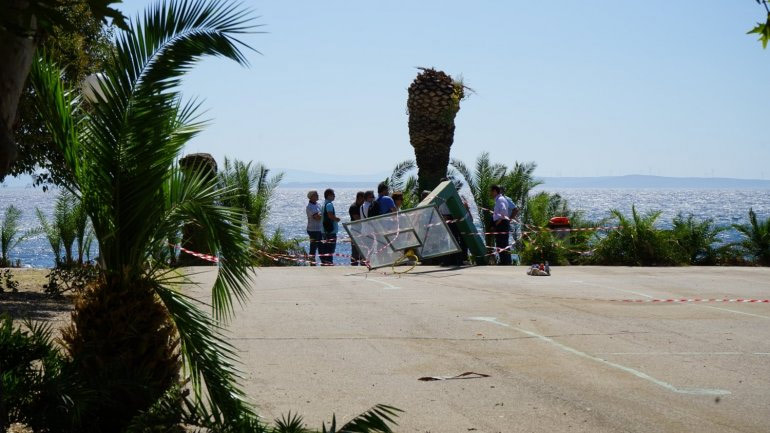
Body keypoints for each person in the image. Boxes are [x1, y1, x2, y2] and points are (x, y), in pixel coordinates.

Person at [490, 184, 511, 265]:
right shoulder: (498, 200)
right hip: (501, 223)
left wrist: (496, 224)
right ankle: (504, 261)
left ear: (495, 191)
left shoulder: (500, 200)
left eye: (491, 191)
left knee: (502, 243)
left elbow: (503, 212)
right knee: (500, 243)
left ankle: (505, 262)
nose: (491, 193)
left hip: (502, 223)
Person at [320, 188, 340, 265]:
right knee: (330, 249)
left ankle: (326, 263)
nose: (334, 196)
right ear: (328, 196)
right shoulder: (329, 204)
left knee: (326, 248)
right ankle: (329, 263)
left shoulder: (323, 204)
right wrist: (337, 219)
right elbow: (330, 215)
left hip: (324, 230)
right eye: (333, 195)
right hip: (330, 231)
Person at [305, 190, 322, 266]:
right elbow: (317, 217)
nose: (318, 196)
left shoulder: (318, 205)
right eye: (316, 195)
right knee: (313, 247)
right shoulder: (309, 207)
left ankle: (321, 262)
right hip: (313, 230)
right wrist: (322, 215)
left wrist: (321, 215)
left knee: (321, 247)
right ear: (311, 197)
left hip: (319, 229)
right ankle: (312, 264)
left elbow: (320, 215)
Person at [349, 191, 365, 265]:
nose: (364, 201)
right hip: (355, 231)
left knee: (363, 250)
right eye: (363, 199)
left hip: (362, 231)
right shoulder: (354, 207)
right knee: (355, 252)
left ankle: (363, 265)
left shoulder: (362, 207)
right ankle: (354, 265)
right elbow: (357, 219)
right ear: (359, 198)